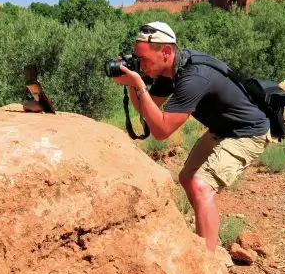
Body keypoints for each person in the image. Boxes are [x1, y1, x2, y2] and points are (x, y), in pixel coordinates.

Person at [113, 21, 271, 252]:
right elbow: (145, 109)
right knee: (188, 178)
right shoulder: (169, 72)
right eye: (136, 59)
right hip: (222, 129)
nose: (140, 65)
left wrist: (139, 84)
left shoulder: (193, 77)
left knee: (200, 185)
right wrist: (131, 83)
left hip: (248, 132)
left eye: (143, 59)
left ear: (166, 51)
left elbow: (161, 131)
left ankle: (207, 262)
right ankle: (206, 241)